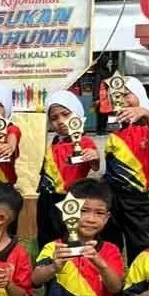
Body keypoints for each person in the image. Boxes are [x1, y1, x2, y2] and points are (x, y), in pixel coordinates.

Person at [32, 179, 124, 296]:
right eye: (83, 211)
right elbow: (35, 279)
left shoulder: (110, 250)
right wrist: (53, 267)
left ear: (107, 218)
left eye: (99, 213)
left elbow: (116, 287)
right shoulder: (53, 247)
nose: (90, 219)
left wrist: (101, 265)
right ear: (68, 212)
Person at [100, 76, 149, 263]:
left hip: (136, 199)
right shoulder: (115, 127)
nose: (122, 99)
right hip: (111, 196)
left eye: (127, 94)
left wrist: (144, 113)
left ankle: (138, 283)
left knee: (138, 245)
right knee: (109, 243)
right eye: (117, 95)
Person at [36, 91, 100, 249]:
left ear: (77, 114)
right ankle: (46, 263)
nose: (61, 121)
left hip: (70, 197)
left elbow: (95, 165)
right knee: (45, 233)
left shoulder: (85, 141)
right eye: (54, 118)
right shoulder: (55, 141)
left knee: (67, 234)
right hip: (47, 196)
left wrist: (94, 156)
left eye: (66, 114)